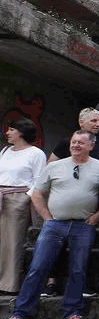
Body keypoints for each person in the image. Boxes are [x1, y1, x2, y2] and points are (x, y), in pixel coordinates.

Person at [2, 131, 99, 319]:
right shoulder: (55, 166)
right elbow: (37, 193)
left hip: (82, 226)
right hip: (55, 224)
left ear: (91, 146)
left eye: (81, 143)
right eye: (73, 142)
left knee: (78, 269)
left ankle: (73, 312)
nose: (76, 145)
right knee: (38, 267)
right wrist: (47, 218)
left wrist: (98, 214)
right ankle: (21, 313)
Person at [0, 119, 46, 295]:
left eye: (11, 129)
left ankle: (8, 285)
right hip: (1, 195)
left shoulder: (35, 153)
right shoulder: (5, 151)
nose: (7, 133)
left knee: (13, 242)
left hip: (18, 198)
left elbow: (39, 180)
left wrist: (25, 198)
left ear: (21, 132)